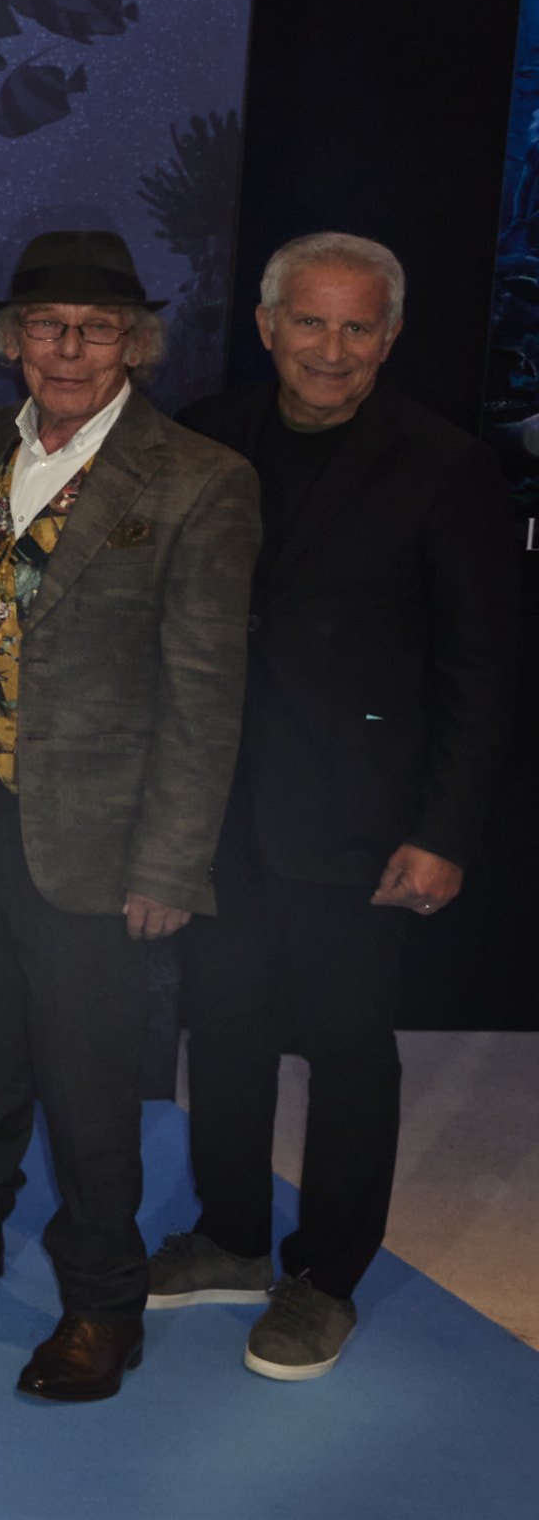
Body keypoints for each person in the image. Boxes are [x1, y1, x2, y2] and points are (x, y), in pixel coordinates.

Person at [0, 232, 256, 1402]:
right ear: (12, 340)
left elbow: (205, 694)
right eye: (45, 326)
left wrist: (171, 862)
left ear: (135, 344)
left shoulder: (199, 478)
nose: (67, 348)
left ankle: (103, 1298)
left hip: (97, 838)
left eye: (95, 328)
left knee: (91, 1076)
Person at [158, 232, 514, 1381]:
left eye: (358, 325)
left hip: (359, 819)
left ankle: (325, 1277)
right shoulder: (205, 432)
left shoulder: (445, 465)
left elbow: (481, 667)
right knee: (223, 1027)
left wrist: (443, 830)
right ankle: (228, 1235)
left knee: (349, 1048)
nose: (331, 346)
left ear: (390, 337)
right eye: (309, 320)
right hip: (215, 806)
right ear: (267, 324)